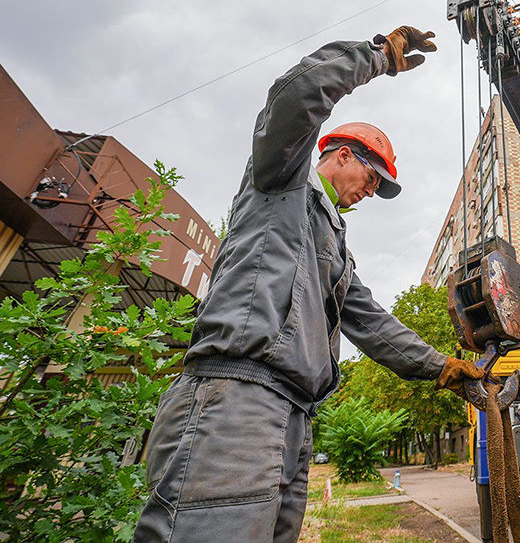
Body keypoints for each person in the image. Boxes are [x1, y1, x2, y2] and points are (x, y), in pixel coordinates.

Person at [133, 27, 484, 542]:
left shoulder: (333, 242)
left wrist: (439, 367)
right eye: (371, 178)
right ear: (341, 155)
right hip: (237, 407)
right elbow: (295, 96)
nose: (370, 192)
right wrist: (376, 57)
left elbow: (371, 322)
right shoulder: (282, 176)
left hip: (293, 418)